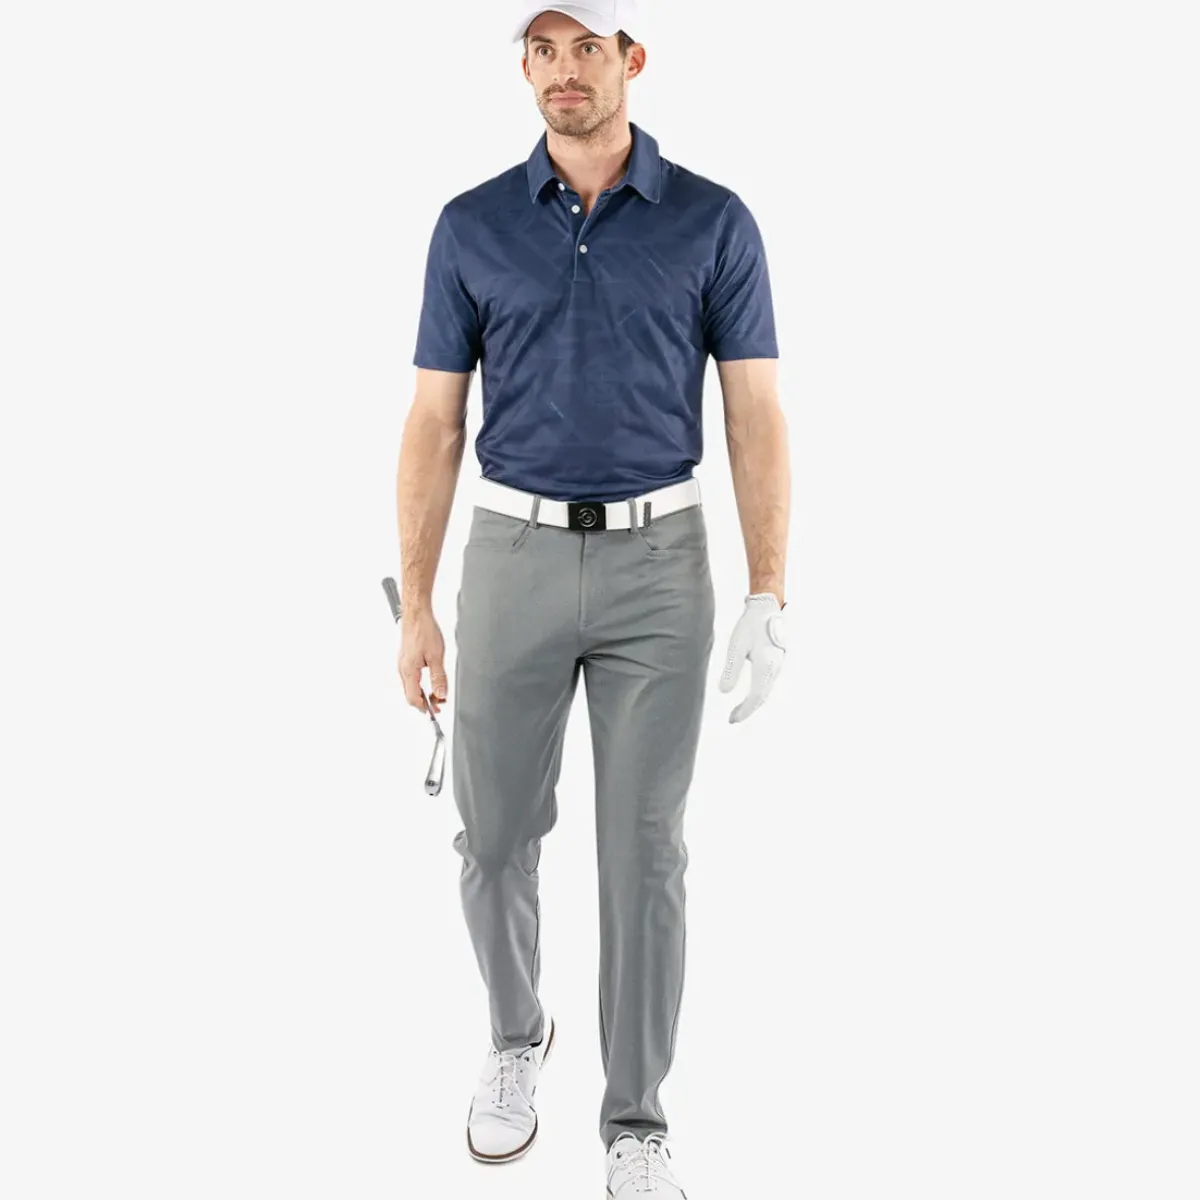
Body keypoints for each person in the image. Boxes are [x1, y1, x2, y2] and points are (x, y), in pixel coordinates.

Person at [394, 1, 790, 1193]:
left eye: (587, 48)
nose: (563, 71)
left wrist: (768, 592)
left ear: (633, 59)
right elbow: (434, 421)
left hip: (658, 566)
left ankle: (636, 1124)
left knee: (645, 852)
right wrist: (418, 605)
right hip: (509, 558)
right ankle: (518, 1039)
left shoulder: (713, 220)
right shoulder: (470, 225)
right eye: (543, 48)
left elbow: (754, 411)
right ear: (522, 64)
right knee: (492, 838)